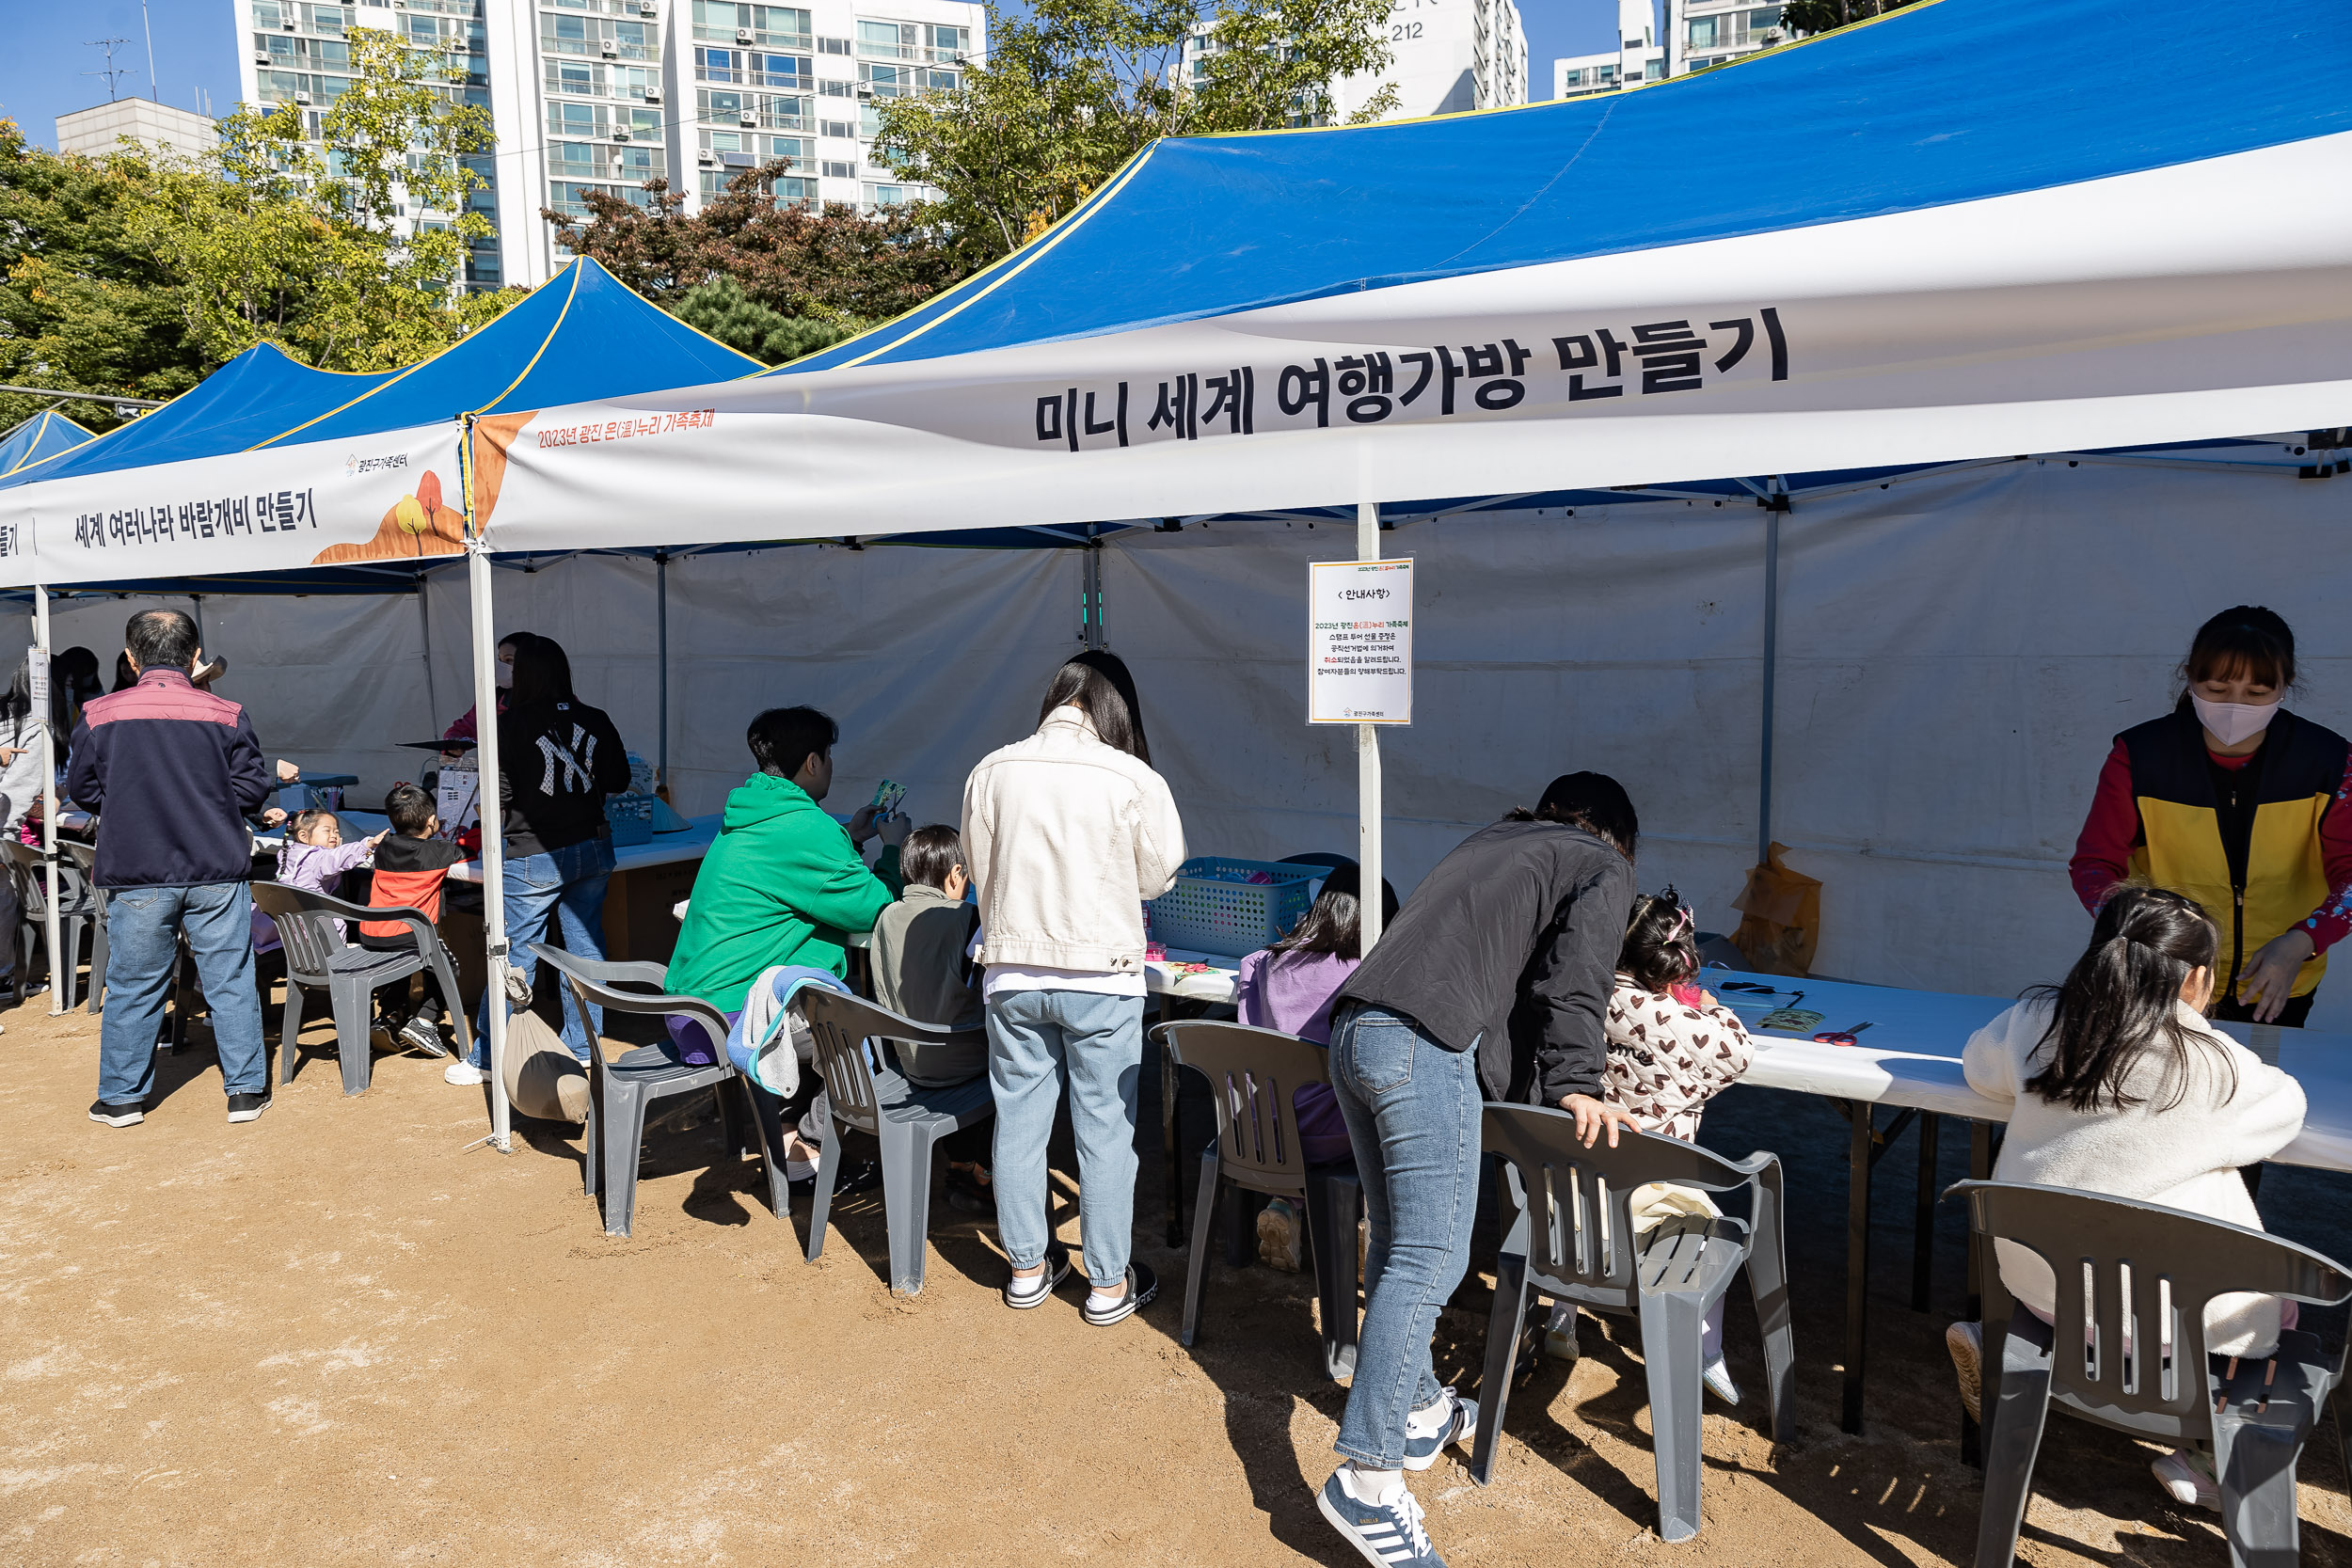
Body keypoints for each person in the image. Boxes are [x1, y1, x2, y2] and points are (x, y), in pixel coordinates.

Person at [1315, 772, 1641, 1568]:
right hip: (1423, 1043)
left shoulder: (1494, 841)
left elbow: (1512, 982)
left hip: (1355, 1031)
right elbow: (1575, 983)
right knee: (1433, 1256)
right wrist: (1575, 1083)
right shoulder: (1601, 865)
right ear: (1615, 836)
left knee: (1398, 1242)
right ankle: (1367, 1478)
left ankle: (1420, 1406)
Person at [1943, 885, 2305, 1511]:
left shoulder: (2038, 1020)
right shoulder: (2213, 1066)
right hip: (2180, 1333)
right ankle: (2210, 1454)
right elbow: (2286, 1110)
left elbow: (1979, 1066)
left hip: (2041, 1290)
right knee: (2280, 1313)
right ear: (2196, 980)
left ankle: (2007, 1345)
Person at [962, 651, 1185, 1324]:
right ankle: (1108, 1284)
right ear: (1117, 710)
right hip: (1102, 979)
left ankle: (1028, 1267)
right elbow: (1160, 873)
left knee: (1021, 1127)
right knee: (1104, 1135)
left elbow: (979, 868)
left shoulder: (992, 769)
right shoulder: (1132, 776)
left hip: (1011, 975)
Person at [2071, 606, 2352, 1026]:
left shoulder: (2329, 761)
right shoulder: (2140, 755)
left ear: (2285, 685)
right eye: (2218, 689)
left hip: (2279, 975)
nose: (2236, 706)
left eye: (2257, 694)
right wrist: (2145, 936)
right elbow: (2095, 865)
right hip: (2164, 976)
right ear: (2190, 677)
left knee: (2260, 1083)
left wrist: (2303, 941)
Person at [665, 705, 906, 1173]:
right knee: (870, 1028)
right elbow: (878, 907)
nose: (831, 767)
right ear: (813, 763)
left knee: (827, 1000)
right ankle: (805, 1150)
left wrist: (849, 839)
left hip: (692, 1009)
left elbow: (795, 878)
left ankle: (790, 1128)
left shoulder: (752, 812)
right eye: (829, 758)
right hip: (733, 1021)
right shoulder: (805, 827)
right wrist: (894, 847)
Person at [1547, 887, 1756, 1400]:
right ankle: (1707, 1352)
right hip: (1652, 1204)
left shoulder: (1573, 1001)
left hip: (1564, 1201)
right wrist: (1713, 1009)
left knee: (1584, 1162)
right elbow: (1739, 1054)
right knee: (1718, 1231)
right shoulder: (1686, 1026)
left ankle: (1561, 1314)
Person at [71, 610, 277, 1127]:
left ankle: (121, 1099)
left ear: (131, 657)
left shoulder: (98, 714)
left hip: (137, 870)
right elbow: (252, 790)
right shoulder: (227, 713)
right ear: (194, 656)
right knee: (229, 978)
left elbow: (84, 791)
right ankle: (246, 1093)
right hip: (216, 868)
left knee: (135, 984)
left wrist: (130, 803)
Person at [450, 635, 629, 1084]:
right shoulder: (596, 718)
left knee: (512, 955)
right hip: (591, 845)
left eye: (512, 666)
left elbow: (501, 798)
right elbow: (621, 779)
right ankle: (585, 1044)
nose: (506, 674)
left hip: (534, 852)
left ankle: (492, 1056)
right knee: (585, 948)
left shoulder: (509, 726)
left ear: (526, 673)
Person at [1236, 863, 1401, 1166]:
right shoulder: (1364, 975)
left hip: (1257, 1127)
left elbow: (1251, 960)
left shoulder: (1270, 961)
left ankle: (1286, 1200)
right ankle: (1364, 1209)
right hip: (1331, 1134)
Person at [870, 823, 993, 1211]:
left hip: (909, 1060)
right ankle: (984, 1173)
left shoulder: (886, 916)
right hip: (962, 1061)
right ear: (956, 873)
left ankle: (960, 1163)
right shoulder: (966, 917)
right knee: (1014, 1053)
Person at [359, 784, 469, 1058]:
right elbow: (465, 855)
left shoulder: (383, 846)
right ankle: (426, 1021)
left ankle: (389, 1017)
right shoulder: (439, 852)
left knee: (397, 962)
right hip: (412, 934)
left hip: (372, 932)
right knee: (445, 965)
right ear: (432, 821)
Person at [250, 808, 386, 1025]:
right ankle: (363, 1025)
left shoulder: (289, 852)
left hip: (289, 944)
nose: (334, 835)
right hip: (321, 949)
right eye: (327, 831)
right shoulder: (318, 858)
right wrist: (366, 845)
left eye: (336, 831)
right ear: (304, 836)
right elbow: (336, 858)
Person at [440, 631, 530, 748]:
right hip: (501, 765)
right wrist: (453, 743)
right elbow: (466, 727)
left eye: (509, 660)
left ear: (529, 661)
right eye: (500, 660)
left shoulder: (551, 696)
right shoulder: (495, 697)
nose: (502, 666)